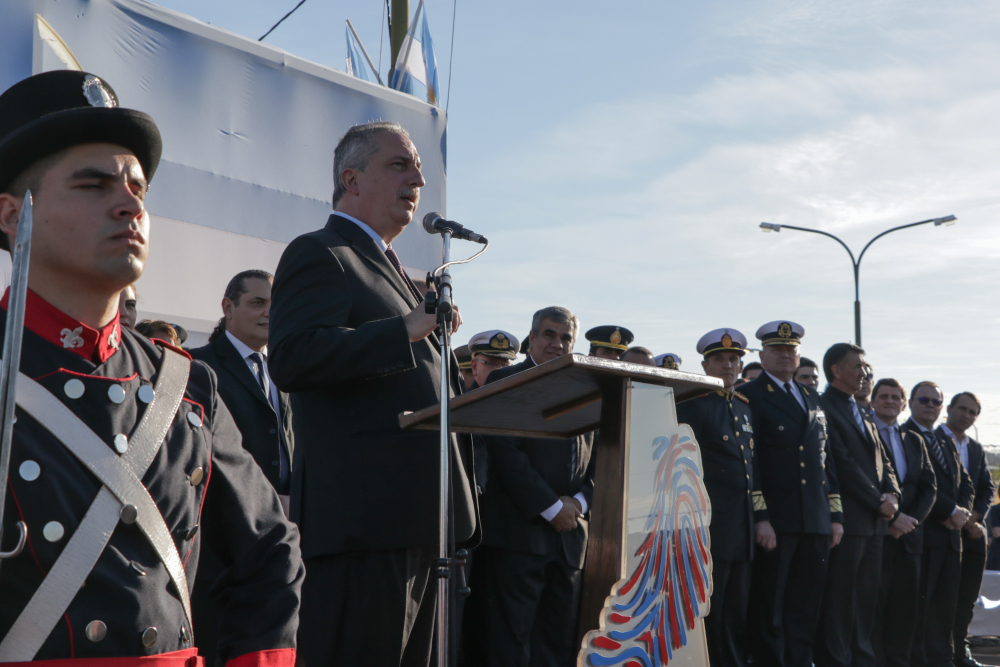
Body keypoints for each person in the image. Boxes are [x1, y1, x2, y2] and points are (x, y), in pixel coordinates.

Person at [0, 70, 302, 665]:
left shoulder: (187, 384)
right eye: (92, 184)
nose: (129, 204)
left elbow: (269, 549)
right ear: (12, 215)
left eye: (137, 187)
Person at [268, 121, 478, 667]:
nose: (418, 179)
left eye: (419, 170)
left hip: (418, 521)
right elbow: (293, 357)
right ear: (351, 178)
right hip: (363, 525)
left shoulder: (397, 271)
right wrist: (404, 329)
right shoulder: (322, 252)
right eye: (399, 165)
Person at [464, 306, 595, 667]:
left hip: (570, 540)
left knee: (558, 641)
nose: (558, 343)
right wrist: (552, 506)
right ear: (532, 338)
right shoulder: (505, 379)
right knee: (511, 640)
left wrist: (581, 504)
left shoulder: (589, 385)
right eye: (550, 335)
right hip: (519, 537)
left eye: (566, 337)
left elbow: (600, 458)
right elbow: (506, 454)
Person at [739, 320, 842, 667]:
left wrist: (835, 516)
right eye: (777, 349)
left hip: (813, 519)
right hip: (777, 520)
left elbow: (825, 462)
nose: (785, 355)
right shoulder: (749, 395)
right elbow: (749, 463)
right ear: (763, 355)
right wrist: (761, 516)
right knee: (771, 605)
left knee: (805, 605)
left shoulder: (812, 397)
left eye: (791, 350)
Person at [675, 328, 760, 667]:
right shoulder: (693, 403)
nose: (728, 365)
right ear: (705, 364)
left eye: (734, 359)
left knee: (736, 609)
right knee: (712, 606)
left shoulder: (742, 406)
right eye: (719, 359)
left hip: (742, 526)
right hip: (709, 524)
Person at [813, 344, 900, 667]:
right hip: (848, 521)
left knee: (865, 601)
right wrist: (877, 500)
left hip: (874, 522)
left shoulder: (861, 410)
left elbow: (883, 461)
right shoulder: (824, 407)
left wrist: (892, 495)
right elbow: (841, 462)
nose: (865, 373)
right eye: (858, 366)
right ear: (836, 370)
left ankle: (861, 660)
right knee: (840, 600)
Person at [905, 382, 974, 667]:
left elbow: (966, 484)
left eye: (936, 401)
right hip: (924, 535)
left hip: (951, 538)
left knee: (945, 610)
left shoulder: (945, 439)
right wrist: (949, 511)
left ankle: (942, 660)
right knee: (920, 609)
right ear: (910, 403)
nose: (930, 406)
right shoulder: (903, 435)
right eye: (924, 400)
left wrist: (963, 513)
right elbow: (917, 484)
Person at [870, 378, 937, 667]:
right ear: (872, 401)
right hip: (876, 535)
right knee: (874, 610)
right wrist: (892, 519)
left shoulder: (914, 439)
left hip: (909, 539)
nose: (889, 401)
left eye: (895, 397)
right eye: (883, 396)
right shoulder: (866, 432)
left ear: (902, 403)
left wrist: (909, 522)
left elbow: (929, 487)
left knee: (905, 612)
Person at [939, 392, 994, 667]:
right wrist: (957, 517)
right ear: (949, 408)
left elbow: (987, 488)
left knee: (966, 601)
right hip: (942, 533)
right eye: (962, 409)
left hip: (971, 535)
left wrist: (974, 518)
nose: (967, 415)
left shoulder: (975, 447)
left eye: (973, 412)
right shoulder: (931, 439)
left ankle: (960, 653)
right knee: (942, 601)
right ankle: (941, 654)